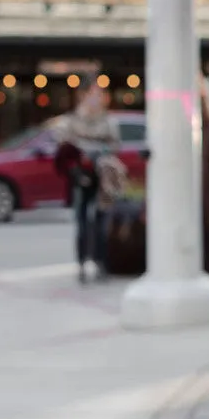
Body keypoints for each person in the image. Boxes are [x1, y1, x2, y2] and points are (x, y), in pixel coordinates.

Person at [54, 77, 119, 283]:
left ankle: (101, 262)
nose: (96, 98)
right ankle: (82, 263)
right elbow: (65, 148)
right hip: (81, 177)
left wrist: (99, 153)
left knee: (101, 222)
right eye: (93, 93)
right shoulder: (72, 121)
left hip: (102, 178)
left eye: (99, 94)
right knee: (82, 222)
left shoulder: (108, 121)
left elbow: (114, 146)